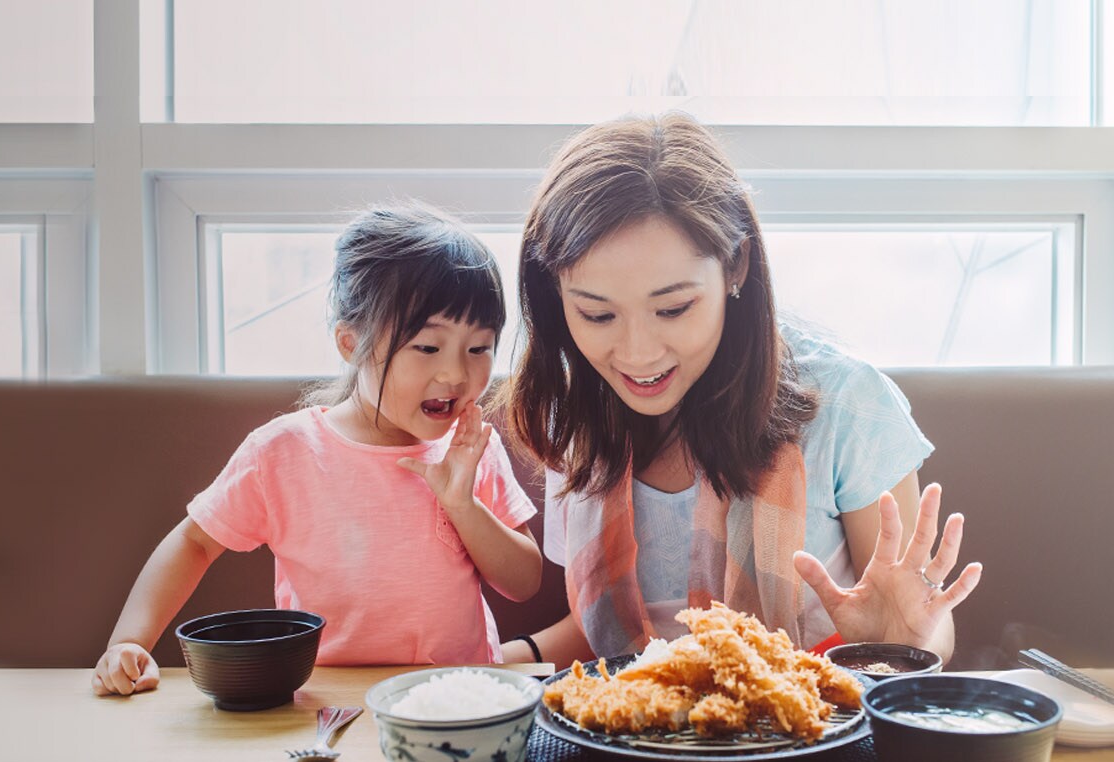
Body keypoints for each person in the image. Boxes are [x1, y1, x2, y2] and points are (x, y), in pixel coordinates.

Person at [493, 113, 984, 667]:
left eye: (673, 308)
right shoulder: (573, 414)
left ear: (737, 266)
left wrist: (901, 644)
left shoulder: (849, 404)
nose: (638, 353)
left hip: (811, 712)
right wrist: (483, 668)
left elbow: (912, 617)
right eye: (597, 315)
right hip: (632, 717)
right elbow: (603, 634)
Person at [92, 202, 545, 696]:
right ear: (351, 343)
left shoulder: (471, 447)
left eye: (479, 348)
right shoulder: (284, 451)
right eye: (427, 347)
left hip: (454, 697)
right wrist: (129, 641)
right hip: (325, 703)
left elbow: (524, 582)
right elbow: (195, 542)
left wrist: (463, 505)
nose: (456, 373)